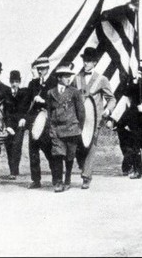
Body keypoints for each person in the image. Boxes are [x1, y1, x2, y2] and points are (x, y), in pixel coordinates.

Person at [74, 47, 117, 189]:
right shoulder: (77, 78)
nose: (85, 63)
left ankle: (86, 176)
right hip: (78, 120)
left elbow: (111, 99)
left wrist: (108, 111)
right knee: (79, 147)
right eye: (84, 60)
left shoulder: (102, 79)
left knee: (91, 146)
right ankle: (83, 167)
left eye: (89, 61)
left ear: (94, 62)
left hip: (94, 120)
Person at [46, 62, 85, 193]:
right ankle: (58, 182)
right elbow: (49, 112)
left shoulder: (74, 92)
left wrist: (79, 128)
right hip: (57, 130)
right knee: (57, 155)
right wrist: (51, 128)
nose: (69, 79)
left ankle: (67, 178)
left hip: (72, 130)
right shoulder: (50, 93)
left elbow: (81, 112)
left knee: (69, 156)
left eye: (70, 76)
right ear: (59, 78)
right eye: (66, 76)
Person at [21, 56, 57, 189]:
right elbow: (25, 103)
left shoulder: (54, 82)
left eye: (43, 68)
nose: (41, 71)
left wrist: (44, 101)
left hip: (47, 121)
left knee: (49, 151)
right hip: (34, 122)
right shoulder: (33, 84)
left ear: (48, 68)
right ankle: (36, 180)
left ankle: (56, 178)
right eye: (39, 68)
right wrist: (24, 117)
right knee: (33, 152)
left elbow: (57, 102)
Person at [2, 70, 30, 179]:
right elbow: (5, 112)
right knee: (9, 145)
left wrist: (23, 118)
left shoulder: (24, 93)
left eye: (17, 81)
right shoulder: (6, 94)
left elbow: (27, 109)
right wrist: (8, 125)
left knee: (16, 145)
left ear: (19, 82)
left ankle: (13, 172)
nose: (14, 84)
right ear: (10, 82)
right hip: (9, 124)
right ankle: (14, 169)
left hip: (20, 124)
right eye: (12, 81)